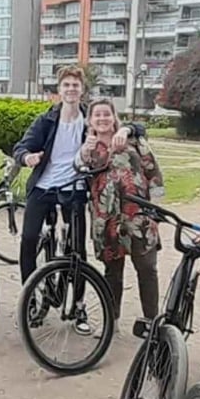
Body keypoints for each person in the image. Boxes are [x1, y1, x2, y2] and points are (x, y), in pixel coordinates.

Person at [12, 64, 141, 285]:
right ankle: (29, 293)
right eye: (66, 85)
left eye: (75, 85)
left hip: (75, 188)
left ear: (82, 89)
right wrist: (27, 157)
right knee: (29, 239)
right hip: (43, 186)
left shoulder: (89, 119)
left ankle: (77, 298)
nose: (71, 89)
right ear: (59, 89)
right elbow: (21, 148)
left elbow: (133, 126)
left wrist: (125, 129)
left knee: (77, 246)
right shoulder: (46, 120)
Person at [78, 98, 165, 325]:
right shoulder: (88, 148)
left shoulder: (132, 139)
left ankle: (151, 322)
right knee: (112, 271)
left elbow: (153, 172)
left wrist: (155, 210)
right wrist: (84, 152)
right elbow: (77, 169)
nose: (102, 119)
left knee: (147, 268)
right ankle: (112, 321)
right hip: (106, 218)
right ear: (90, 120)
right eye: (97, 115)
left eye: (106, 114)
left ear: (114, 117)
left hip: (138, 215)